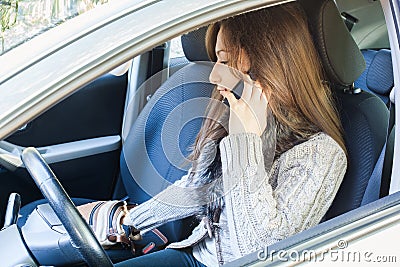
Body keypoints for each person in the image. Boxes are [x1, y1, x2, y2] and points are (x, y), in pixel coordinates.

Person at [115, 2, 347, 266]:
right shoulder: (229, 115)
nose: (214, 75)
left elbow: (259, 252)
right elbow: (196, 190)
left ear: (268, 64)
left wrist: (244, 142)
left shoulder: (321, 154)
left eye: (224, 61)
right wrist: (124, 222)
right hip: (194, 253)